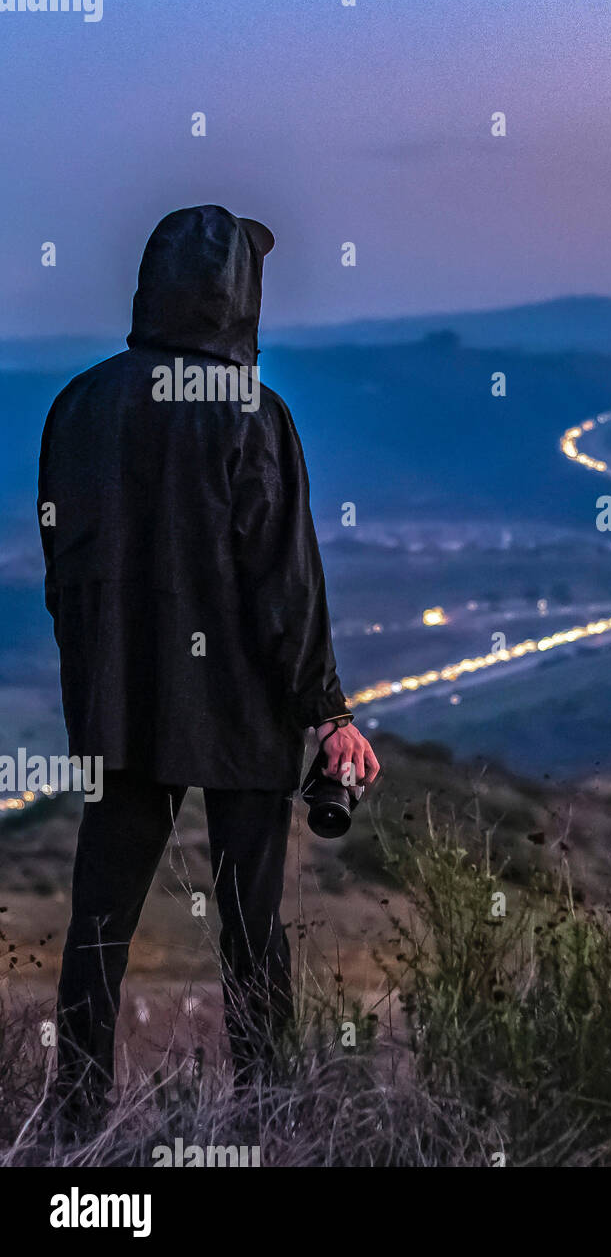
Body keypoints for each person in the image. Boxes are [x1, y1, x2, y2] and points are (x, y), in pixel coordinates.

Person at [38, 205, 379, 1133]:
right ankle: (271, 1121)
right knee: (253, 930)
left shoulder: (79, 406)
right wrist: (328, 710)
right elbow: (285, 582)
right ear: (241, 291)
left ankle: (71, 1126)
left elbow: (63, 574)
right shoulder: (252, 413)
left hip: (122, 706)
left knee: (98, 926)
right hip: (240, 708)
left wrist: (96, 684)